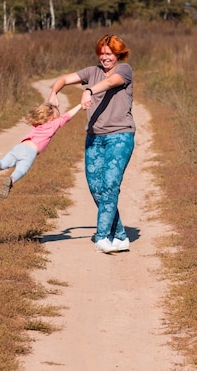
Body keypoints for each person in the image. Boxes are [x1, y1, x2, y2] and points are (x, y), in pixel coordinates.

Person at [48, 34, 135, 253]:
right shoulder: (92, 72)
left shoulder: (124, 70)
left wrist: (88, 90)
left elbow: (109, 83)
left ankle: (102, 236)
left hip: (120, 136)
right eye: (102, 53)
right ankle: (121, 236)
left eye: (110, 54)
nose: (105, 57)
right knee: (96, 188)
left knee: (109, 185)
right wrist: (54, 92)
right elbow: (65, 79)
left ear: (118, 54)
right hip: (94, 138)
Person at [0, 101, 82, 198]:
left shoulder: (38, 123)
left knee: (2, 164)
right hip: (30, 152)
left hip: (19, 147)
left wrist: (51, 106)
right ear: (52, 118)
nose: (58, 118)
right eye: (57, 116)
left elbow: (47, 109)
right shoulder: (53, 125)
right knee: (21, 170)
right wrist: (80, 105)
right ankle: (11, 180)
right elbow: (67, 116)